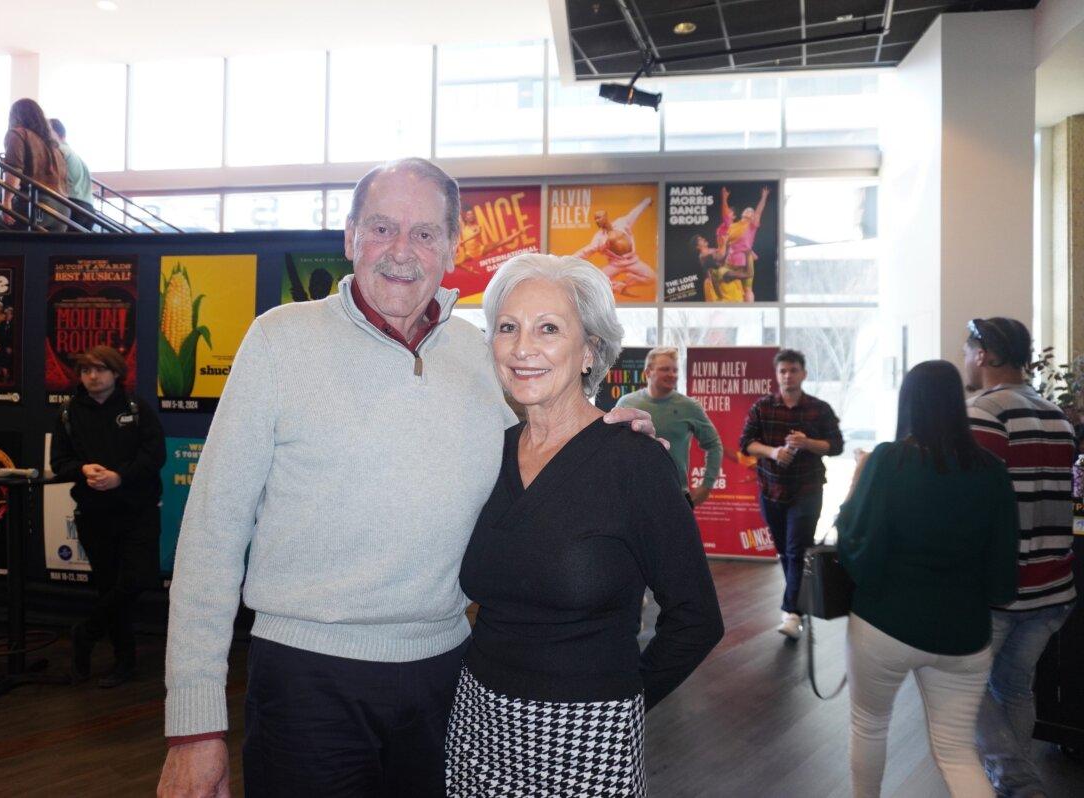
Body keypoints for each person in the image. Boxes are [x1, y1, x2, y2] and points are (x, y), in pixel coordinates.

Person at [156, 158, 657, 798]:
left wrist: (614, 434)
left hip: (448, 683)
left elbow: (554, 433)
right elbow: (211, 536)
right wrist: (194, 730)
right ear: (349, 237)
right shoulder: (280, 342)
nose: (401, 251)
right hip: (306, 682)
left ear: (452, 247)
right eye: (382, 227)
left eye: (424, 233)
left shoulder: (486, 356)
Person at [447, 254, 724, 797]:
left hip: (586, 736)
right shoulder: (491, 454)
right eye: (508, 327)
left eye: (548, 329)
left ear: (590, 351)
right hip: (477, 722)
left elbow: (698, 618)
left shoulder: (635, 462)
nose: (523, 347)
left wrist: (617, 706)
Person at [837, 360, 1018, 798]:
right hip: (964, 632)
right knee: (957, 751)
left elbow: (854, 541)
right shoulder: (992, 470)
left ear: (909, 402)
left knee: (869, 726)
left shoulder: (887, 460)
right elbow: (1003, 573)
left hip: (885, 623)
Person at [964, 317, 1077, 797]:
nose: (964, 360)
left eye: (967, 350)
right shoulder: (1056, 414)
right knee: (1013, 688)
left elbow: (969, 507)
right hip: (1054, 588)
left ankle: (1018, 783)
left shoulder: (984, 415)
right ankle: (1010, 783)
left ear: (985, 355)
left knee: (962, 690)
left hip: (1002, 590)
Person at [50, 345, 165, 688]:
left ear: (116, 373)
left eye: (100, 369)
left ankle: (85, 633)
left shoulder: (136, 408)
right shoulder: (69, 412)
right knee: (108, 588)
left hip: (138, 510)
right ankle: (123, 662)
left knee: (137, 579)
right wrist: (82, 468)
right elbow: (59, 463)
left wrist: (120, 476)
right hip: (94, 514)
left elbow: (155, 455)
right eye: (86, 371)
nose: (93, 376)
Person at [739, 349, 844, 639]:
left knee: (797, 549)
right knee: (786, 551)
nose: (788, 375)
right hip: (770, 489)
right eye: (783, 371)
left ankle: (792, 611)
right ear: (777, 374)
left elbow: (836, 446)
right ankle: (800, 603)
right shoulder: (762, 407)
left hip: (808, 489)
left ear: (804, 374)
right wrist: (773, 452)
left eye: (793, 370)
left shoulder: (819, 409)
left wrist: (807, 443)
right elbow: (746, 443)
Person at [616, 346, 723, 506]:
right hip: (633, 494)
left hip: (676, 496)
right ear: (648, 372)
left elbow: (714, 445)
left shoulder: (690, 407)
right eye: (665, 369)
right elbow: (614, 447)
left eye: (675, 370)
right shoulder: (627, 403)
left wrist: (707, 485)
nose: (672, 375)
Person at [0, 98, 69, 231]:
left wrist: (6, 201)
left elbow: (14, 170)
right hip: (62, 210)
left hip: (37, 203)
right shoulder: (53, 146)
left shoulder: (17, 134)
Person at [572, 198, 655, 296]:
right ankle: (618, 287)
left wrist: (646, 201)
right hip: (616, 264)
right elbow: (586, 251)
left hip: (633, 261)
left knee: (652, 278)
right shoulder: (599, 238)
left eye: (599, 218)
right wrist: (568, 259)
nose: (597, 221)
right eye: (595, 219)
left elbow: (635, 213)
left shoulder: (622, 222)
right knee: (598, 282)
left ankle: (625, 284)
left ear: (606, 217)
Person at [715, 185, 769, 302]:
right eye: (747, 210)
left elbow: (759, 211)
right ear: (742, 213)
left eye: (751, 211)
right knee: (723, 280)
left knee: (748, 290)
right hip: (731, 261)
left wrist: (763, 197)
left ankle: (748, 309)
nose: (749, 210)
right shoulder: (732, 225)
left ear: (753, 217)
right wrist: (724, 198)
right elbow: (725, 214)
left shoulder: (752, 225)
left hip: (744, 260)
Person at [48, 118, 96, 231]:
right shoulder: (74, 155)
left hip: (73, 205)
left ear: (60, 135)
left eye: (48, 131)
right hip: (88, 207)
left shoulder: (59, 150)